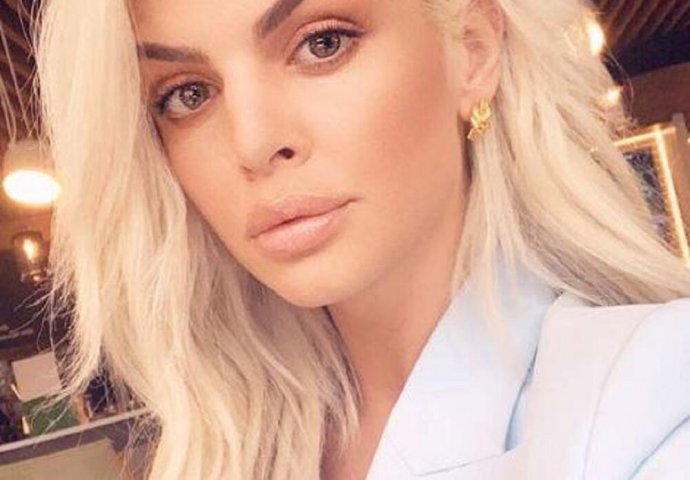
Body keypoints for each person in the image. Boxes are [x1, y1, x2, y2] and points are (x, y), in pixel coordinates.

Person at [34, 0, 690, 478]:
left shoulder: (650, 396)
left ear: (472, 51)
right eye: (187, 94)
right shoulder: (224, 441)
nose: (253, 142)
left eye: (322, 43)